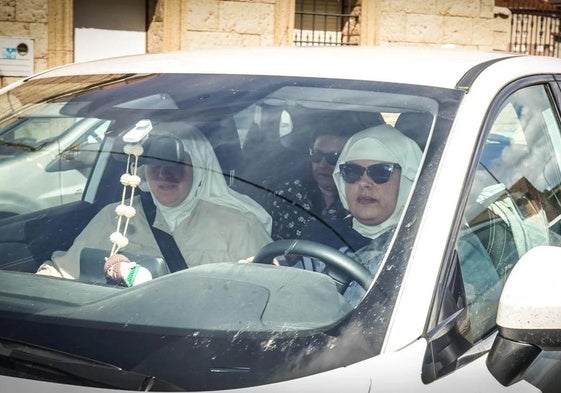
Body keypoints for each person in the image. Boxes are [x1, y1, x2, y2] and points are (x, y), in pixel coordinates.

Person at [36, 128, 272, 281]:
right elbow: (61, 273)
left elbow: (267, 294)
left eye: (177, 163)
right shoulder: (117, 217)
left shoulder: (239, 225)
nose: (163, 174)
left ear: (200, 169)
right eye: (154, 162)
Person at [303, 124, 423, 306]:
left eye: (380, 172)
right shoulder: (320, 233)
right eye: (352, 172)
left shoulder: (434, 246)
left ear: (408, 180)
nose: (364, 183)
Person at [266, 128, 353, 241]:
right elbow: (264, 238)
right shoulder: (286, 194)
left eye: (334, 157)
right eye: (317, 155)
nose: (322, 165)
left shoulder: (363, 200)